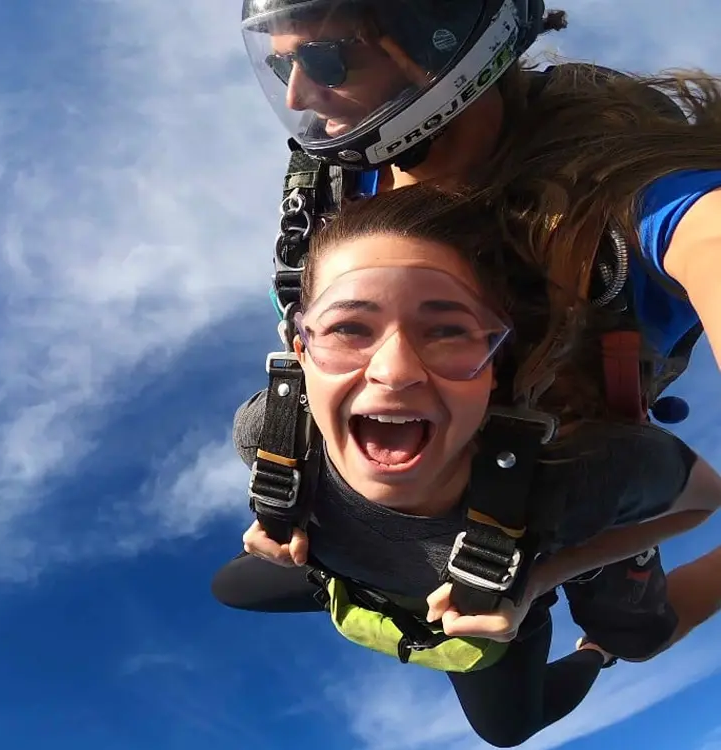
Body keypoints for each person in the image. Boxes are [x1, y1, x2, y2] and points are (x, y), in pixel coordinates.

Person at [234, 0, 721, 662]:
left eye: (326, 59)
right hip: (435, 464)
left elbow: (703, 230)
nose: (298, 95)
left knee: (633, 627)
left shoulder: (624, 200)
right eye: (281, 66)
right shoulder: (340, 184)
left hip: (567, 454)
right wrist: (293, 501)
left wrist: (539, 576)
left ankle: (600, 651)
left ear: (435, 38)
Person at [215, 183, 721, 747]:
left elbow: (704, 499)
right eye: (348, 328)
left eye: (449, 331)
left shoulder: (568, 479)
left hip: (490, 582)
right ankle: (347, 568)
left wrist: (535, 581)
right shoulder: (270, 435)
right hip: (346, 564)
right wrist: (281, 515)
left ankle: (597, 653)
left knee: (508, 729)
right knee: (229, 586)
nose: (394, 371)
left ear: (494, 366)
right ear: (302, 354)